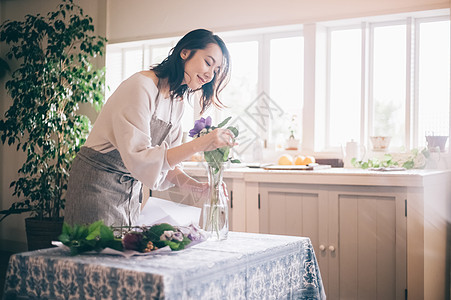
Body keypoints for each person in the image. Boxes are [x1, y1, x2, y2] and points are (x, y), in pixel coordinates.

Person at [64, 29, 235, 227]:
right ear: (185, 52)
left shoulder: (176, 101)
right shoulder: (141, 86)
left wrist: (198, 188)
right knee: (95, 254)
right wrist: (199, 144)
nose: (210, 74)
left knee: (126, 254)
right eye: (208, 62)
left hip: (129, 192)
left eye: (216, 70)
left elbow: (165, 165)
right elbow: (140, 157)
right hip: (95, 185)